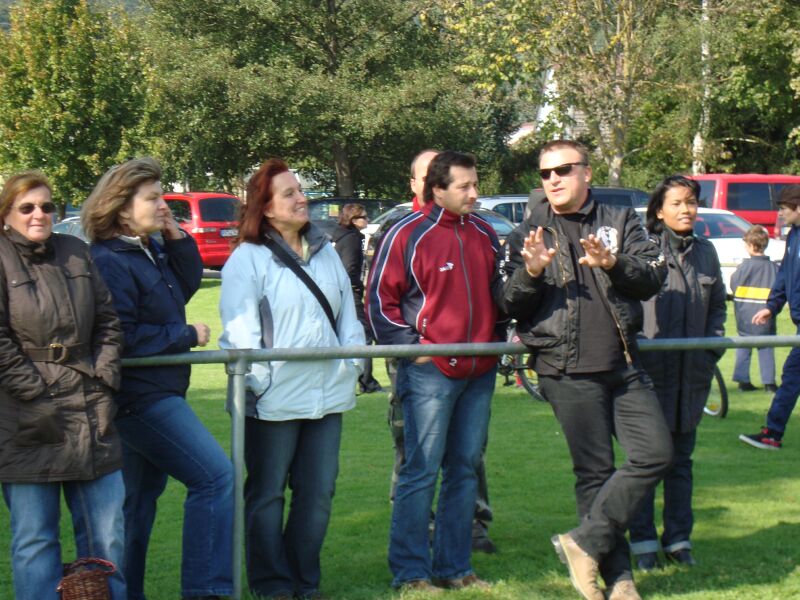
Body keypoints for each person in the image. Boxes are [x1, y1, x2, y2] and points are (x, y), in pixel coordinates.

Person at [501, 139, 673, 600]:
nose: (553, 179)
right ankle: (617, 581)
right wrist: (530, 273)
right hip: (565, 368)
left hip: (623, 364)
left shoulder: (620, 220)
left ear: (587, 173)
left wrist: (614, 264)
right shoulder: (527, 234)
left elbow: (652, 277)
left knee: (655, 452)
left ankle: (584, 543)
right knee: (594, 474)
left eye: (563, 169)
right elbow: (510, 305)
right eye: (545, 173)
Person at [83, 158, 234, 600]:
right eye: (152, 198)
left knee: (136, 506)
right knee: (215, 478)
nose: (162, 204)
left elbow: (182, 288)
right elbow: (122, 338)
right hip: (140, 398)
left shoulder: (145, 249)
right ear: (121, 206)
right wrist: (185, 334)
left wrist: (174, 237)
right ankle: (206, 592)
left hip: (155, 393)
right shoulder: (109, 260)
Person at [219, 158, 364, 599]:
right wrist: (260, 386)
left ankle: (305, 582)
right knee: (266, 498)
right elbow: (240, 330)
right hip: (273, 401)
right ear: (264, 208)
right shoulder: (248, 259)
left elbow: (348, 318)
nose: (301, 198)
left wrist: (352, 366)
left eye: (300, 190)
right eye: (289, 193)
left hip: (328, 397)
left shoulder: (326, 252)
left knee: (318, 496)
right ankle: (273, 586)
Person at [368, 150, 505, 592]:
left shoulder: (485, 232)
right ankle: (410, 574)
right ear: (437, 189)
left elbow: (500, 296)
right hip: (428, 373)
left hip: (479, 370)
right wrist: (412, 348)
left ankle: (455, 568)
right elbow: (378, 301)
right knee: (421, 471)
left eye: (475, 183)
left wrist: (501, 342)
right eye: (464, 186)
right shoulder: (405, 234)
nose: (474, 193)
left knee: (464, 470)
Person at [0, 171, 126, 599]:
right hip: (26, 418)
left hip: (91, 410)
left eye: (47, 206)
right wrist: (36, 395)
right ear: (7, 214)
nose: (39, 214)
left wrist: (105, 377)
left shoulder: (75, 252)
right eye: (27, 207)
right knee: (35, 540)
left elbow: (108, 320)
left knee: (107, 540)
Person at [627, 175, 727, 571]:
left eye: (691, 202)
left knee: (681, 463)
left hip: (691, 377)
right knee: (648, 460)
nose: (686, 210)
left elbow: (718, 305)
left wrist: (710, 349)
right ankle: (644, 544)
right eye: (677, 203)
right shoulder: (643, 250)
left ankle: (679, 540)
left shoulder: (706, 252)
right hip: (650, 376)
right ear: (658, 210)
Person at [740, 185, 800, 450]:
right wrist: (772, 306)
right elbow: (785, 275)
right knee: (792, 375)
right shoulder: (794, 237)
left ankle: (772, 433)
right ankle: (772, 434)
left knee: (792, 375)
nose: (781, 215)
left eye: (784, 209)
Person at [332, 202, 382, 394]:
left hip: (343, 293)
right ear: (353, 220)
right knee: (364, 336)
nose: (367, 220)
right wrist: (357, 287)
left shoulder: (342, 237)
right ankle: (367, 381)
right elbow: (350, 269)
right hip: (350, 293)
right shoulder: (352, 239)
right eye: (364, 217)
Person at [731, 225, 779, 392]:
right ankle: (769, 383)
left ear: (751, 246)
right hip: (765, 315)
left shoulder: (743, 267)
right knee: (766, 346)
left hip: (744, 315)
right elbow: (779, 290)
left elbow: (733, 284)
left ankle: (742, 380)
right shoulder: (773, 268)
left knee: (744, 346)